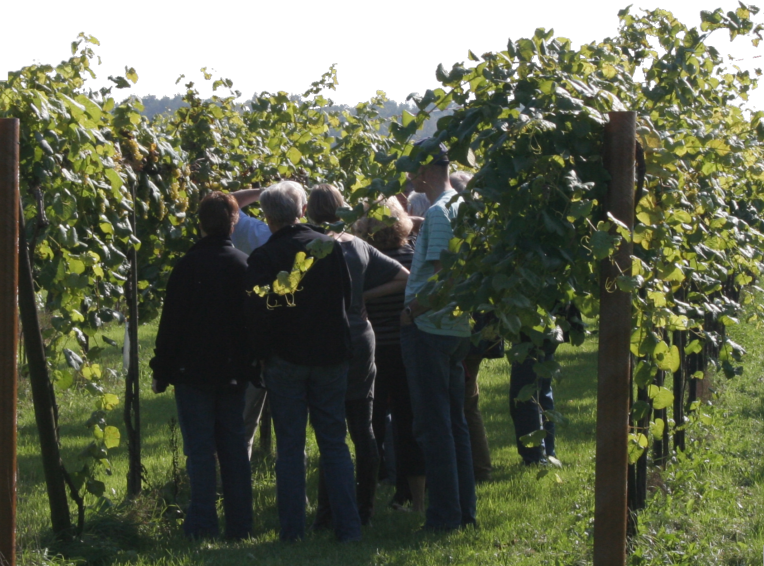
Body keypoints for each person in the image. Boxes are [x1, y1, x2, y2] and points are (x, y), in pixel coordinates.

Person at [245, 181, 361, 542]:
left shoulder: (264, 257)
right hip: (330, 355)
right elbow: (346, 299)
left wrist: (259, 358)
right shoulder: (327, 247)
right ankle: (349, 529)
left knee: (290, 447)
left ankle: (292, 531)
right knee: (334, 442)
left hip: (286, 359)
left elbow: (257, 313)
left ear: (266, 217)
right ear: (302, 210)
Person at [149, 191, 253, 540]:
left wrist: (161, 372)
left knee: (200, 451)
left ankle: (202, 523)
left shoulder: (186, 267)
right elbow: (252, 324)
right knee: (234, 448)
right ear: (233, 223)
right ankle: (240, 525)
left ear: (200, 225)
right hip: (232, 372)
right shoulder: (243, 265)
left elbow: (171, 324)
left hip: (192, 373)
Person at [307, 184, 409, 527]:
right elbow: (403, 277)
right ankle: (364, 508)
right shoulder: (358, 246)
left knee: (330, 429)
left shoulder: (309, 248)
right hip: (361, 337)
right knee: (363, 428)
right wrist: (364, 295)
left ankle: (327, 512)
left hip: (326, 339)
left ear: (308, 211)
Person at [399, 140, 476, 531]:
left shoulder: (441, 212)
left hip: (432, 328)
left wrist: (412, 311)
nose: (410, 177)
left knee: (435, 427)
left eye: (414, 170)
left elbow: (446, 275)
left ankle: (444, 518)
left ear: (428, 171)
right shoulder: (456, 206)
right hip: (451, 327)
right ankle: (463, 513)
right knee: (453, 423)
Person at [354, 197, 426, 513]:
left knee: (371, 425)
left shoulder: (366, 262)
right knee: (408, 421)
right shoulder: (412, 257)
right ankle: (410, 495)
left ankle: (366, 493)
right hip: (406, 349)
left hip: (372, 352)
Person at [230, 187, 272, 461]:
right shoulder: (319, 241)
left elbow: (228, 201)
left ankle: (235, 482)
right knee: (292, 430)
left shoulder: (255, 232)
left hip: (252, 335)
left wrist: (263, 191)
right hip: (292, 344)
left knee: (243, 421)